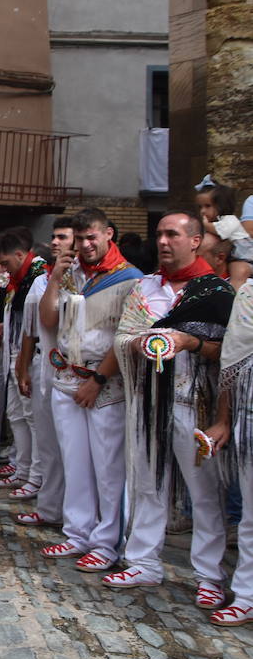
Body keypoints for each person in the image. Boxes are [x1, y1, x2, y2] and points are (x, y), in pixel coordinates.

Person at [105, 211, 234, 602]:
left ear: (195, 240)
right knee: (146, 483)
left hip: (191, 401)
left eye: (172, 234)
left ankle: (209, 577)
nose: (163, 242)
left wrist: (191, 343)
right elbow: (122, 336)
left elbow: (231, 354)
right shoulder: (144, 289)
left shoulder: (216, 294)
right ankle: (143, 562)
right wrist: (136, 343)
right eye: (160, 234)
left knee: (204, 491)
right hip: (146, 400)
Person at [39, 207, 141, 571]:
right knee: (75, 462)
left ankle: (107, 542)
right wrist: (55, 276)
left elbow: (125, 336)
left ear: (108, 234)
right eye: (79, 239)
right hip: (67, 376)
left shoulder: (130, 278)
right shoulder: (70, 274)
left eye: (90, 237)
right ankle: (78, 532)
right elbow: (49, 321)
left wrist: (98, 381)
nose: (84, 245)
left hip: (105, 382)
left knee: (108, 467)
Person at [13, 217, 74, 530]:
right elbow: (31, 328)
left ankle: (74, 515)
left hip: (73, 368)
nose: (54, 242)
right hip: (43, 364)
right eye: (53, 236)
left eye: (62, 236)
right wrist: (23, 366)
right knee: (47, 441)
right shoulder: (42, 279)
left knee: (71, 447)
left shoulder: (83, 278)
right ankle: (49, 506)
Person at [0, 227, 50, 501]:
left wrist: (22, 362)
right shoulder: (20, 278)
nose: (3, 268)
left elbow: (33, 325)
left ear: (20, 254)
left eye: (5, 262)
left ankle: (36, 475)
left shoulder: (38, 277)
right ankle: (23, 468)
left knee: (32, 418)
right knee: (17, 415)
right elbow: (20, 317)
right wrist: (5, 325)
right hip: (13, 352)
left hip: (28, 356)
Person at [211, 278, 253, 626]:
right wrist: (223, 418)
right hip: (250, 415)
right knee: (251, 516)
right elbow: (232, 359)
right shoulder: (249, 295)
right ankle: (247, 595)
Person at [195, 177, 253, 290]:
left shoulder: (230, 220)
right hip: (231, 257)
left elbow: (219, 231)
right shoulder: (215, 223)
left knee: (239, 272)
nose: (202, 211)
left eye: (207, 206)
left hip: (245, 258)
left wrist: (204, 224)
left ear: (220, 206)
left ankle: (234, 299)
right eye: (200, 207)